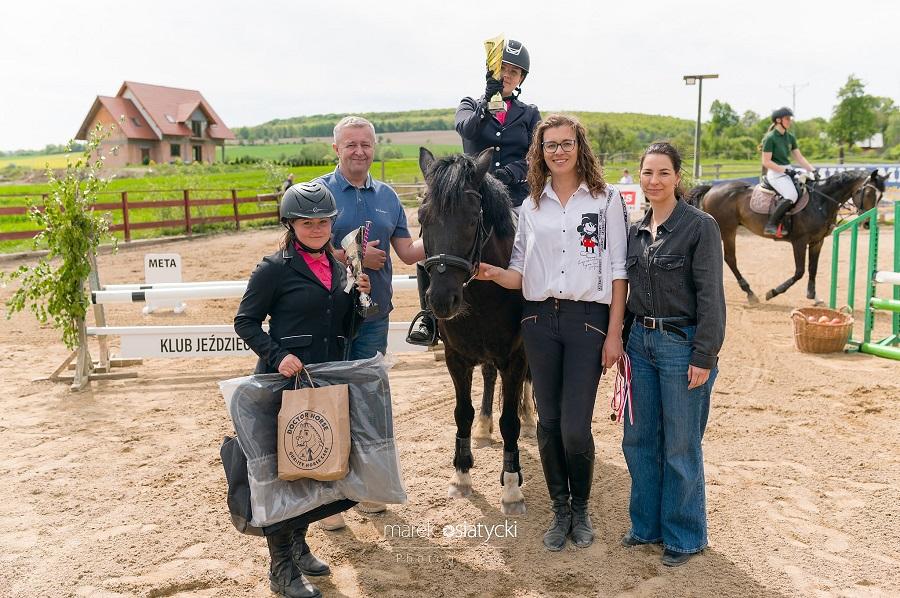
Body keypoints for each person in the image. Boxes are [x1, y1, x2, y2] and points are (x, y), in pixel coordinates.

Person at [475, 114, 628, 551]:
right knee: (548, 424)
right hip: (539, 320)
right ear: (539, 152)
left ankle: (581, 507)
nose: (558, 151)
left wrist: (614, 333)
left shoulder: (606, 201)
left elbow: (618, 271)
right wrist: (491, 273)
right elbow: (520, 271)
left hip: (587, 322)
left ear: (580, 147)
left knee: (576, 428)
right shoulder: (532, 205)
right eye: (549, 145)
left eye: (565, 143)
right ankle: (560, 509)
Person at [234, 181, 372, 598]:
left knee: (315, 467)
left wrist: (359, 302)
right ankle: (281, 568)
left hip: (325, 379)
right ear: (291, 224)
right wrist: (277, 356)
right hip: (285, 382)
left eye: (323, 221)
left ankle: (299, 544)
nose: (316, 228)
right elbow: (245, 321)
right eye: (307, 222)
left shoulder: (340, 265)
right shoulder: (273, 269)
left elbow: (342, 324)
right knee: (283, 474)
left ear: (333, 223)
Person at [620, 141, 726, 567]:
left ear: (677, 177)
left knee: (680, 444)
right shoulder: (635, 229)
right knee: (639, 439)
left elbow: (711, 298)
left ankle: (685, 535)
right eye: (648, 173)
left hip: (681, 345)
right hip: (638, 346)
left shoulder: (700, 227)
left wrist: (705, 355)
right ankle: (646, 526)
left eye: (663, 173)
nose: (654, 181)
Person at [317, 115, 424, 527]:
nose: (359, 151)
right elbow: (303, 249)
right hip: (329, 316)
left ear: (373, 148)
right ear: (337, 149)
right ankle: (330, 496)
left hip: (374, 316)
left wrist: (440, 223)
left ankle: (368, 488)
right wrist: (355, 258)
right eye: (350, 144)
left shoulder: (388, 197)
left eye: (365, 144)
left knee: (369, 400)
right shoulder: (319, 193)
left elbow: (410, 253)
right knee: (330, 398)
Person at [407, 38, 541, 346]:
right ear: (491, 71)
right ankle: (428, 317)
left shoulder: (530, 113)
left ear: (521, 79)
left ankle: (536, 311)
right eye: (502, 69)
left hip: (514, 197)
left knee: (537, 246)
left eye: (514, 72)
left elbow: (534, 155)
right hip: (471, 195)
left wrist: (512, 173)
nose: (508, 75)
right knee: (430, 244)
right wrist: (488, 98)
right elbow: (466, 129)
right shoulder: (469, 105)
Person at [761, 107, 816, 236]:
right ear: (778, 120)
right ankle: (771, 225)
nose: (789, 121)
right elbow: (766, 162)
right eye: (787, 119)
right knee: (791, 195)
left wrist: (812, 169)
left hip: (787, 171)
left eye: (790, 119)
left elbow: (799, 157)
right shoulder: (770, 138)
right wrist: (785, 170)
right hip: (775, 173)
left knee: (806, 189)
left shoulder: (790, 137)